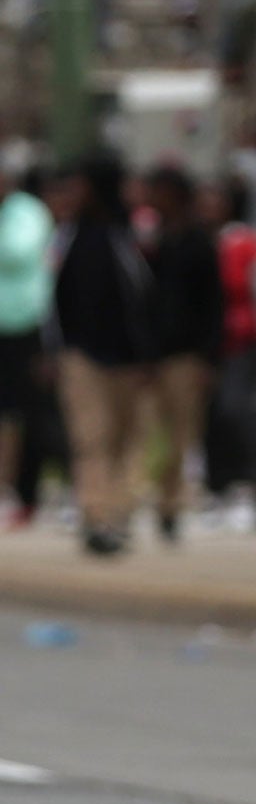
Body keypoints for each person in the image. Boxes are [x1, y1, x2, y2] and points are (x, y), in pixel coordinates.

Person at [53, 151, 155, 557]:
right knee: (91, 439)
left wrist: (147, 353)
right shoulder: (71, 237)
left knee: (127, 440)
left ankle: (119, 513)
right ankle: (96, 517)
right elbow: (60, 300)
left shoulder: (128, 236)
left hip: (128, 361)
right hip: (83, 357)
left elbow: (144, 298)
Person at [141, 164, 225, 543]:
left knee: (180, 435)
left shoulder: (197, 242)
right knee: (149, 431)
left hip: (188, 354)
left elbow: (212, 303)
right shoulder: (153, 240)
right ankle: (149, 497)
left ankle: (171, 504)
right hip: (153, 355)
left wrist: (210, 356)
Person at [204, 177, 256, 523]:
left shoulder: (247, 243)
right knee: (214, 417)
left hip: (246, 342)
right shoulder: (202, 241)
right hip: (211, 345)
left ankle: (254, 486)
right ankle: (218, 486)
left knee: (242, 412)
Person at [0, 152, 53, 529]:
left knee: (30, 413)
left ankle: (28, 492)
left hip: (25, 324)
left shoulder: (27, 212)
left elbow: (18, 253)